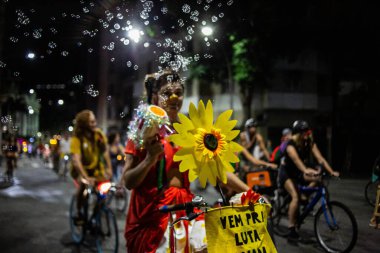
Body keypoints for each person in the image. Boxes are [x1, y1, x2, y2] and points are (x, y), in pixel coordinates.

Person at [122, 69, 250, 253]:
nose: (174, 97)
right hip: (153, 217)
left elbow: (218, 171)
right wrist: (149, 159)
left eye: (179, 93)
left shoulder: (193, 133)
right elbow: (127, 181)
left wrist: (251, 193)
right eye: (167, 93)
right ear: (155, 97)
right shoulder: (142, 133)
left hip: (185, 210)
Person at [278, 120, 339, 243]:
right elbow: (297, 162)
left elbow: (320, 158)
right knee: (295, 197)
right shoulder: (290, 145)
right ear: (297, 134)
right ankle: (292, 230)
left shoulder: (309, 142)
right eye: (304, 132)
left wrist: (331, 171)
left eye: (307, 131)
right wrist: (306, 170)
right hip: (287, 174)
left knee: (319, 179)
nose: (307, 134)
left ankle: (305, 195)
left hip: (300, 173)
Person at [70, 110, 112, 225]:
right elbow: (76, 160)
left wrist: (109, 169)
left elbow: (105, 152)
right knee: (83, 185)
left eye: (95, 121)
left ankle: (95, 215)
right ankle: (79, 213)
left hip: (96, 169)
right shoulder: (76, 139)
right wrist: (85, 177)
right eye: (92, 122)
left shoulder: (98, 134)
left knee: (105, 189)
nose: (95, 124)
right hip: (80, 170)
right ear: (84, 124)